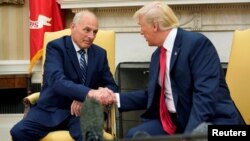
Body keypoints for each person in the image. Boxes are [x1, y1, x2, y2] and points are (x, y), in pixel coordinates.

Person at [116, 1, 245, 138]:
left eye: (141, 26)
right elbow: (152, 95)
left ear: (155, 26)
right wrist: (115, 98)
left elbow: (205, 96)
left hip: (213, 121)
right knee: (134, 136)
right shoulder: (157, 56)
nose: (140, 31)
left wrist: (188, 136)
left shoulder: (196, 44)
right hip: (177, 122)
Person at [10, 10, 118, 141]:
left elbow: (112, 86)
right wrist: (88, 93)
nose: (91, 36)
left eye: (95, 32)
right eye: (87, 30)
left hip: (82, 113)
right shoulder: (56, 47)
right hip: (51, 110)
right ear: (73, 27)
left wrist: (88, 99)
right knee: (18, 132)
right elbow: (57, 81)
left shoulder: (100, 54)